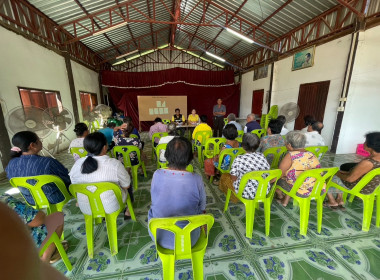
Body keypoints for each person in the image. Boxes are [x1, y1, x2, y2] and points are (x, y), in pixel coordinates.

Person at [148, 137, 206, 249]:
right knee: (199, 211)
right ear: (190, 158)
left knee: (152, 210)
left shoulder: (157, 174)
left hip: (159, 236)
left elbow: (154, 199)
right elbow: (202, 207)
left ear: (166, 155)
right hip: (190, 239)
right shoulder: (197, 179)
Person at [69, 132, 133, 219]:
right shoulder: (114, 164)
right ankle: (128, 211)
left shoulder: (77, 164)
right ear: (104, 147)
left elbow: (74, 185)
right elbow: (126, 186)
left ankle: (100, 215)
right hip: (111, 207)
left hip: (87, 208)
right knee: (128, 181)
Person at [0, 201, 68, 280]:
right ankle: (45, 259)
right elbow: (39, 219)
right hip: (23, 252)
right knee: (58, 216)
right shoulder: (4, 201)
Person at [5, 131, 71, 205]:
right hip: (55, 198)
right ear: (32, 145)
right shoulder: (48, 162)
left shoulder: (11, 164)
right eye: (39, 140)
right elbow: (67, 179)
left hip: (31, 200)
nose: (40, 142)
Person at [325, 132, 380, 209]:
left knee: (328, 175)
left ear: (371, 145)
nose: (363, 143)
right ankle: (339, 199)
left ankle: (332, 201)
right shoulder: (376, 159)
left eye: (365, 141)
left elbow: (350, 179)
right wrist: (343, 172)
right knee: (339, 173)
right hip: (371, 187)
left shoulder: (368, 163)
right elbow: (361, 174)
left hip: (360, 188)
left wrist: (336, 173)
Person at [276, 131, 321, 207]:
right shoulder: (311, 154)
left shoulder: (290, 155)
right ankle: (285, 201)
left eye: (286, 144)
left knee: (278, 180)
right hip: (317, 188)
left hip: (300, 190)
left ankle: (281, 196)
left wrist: (269, 181)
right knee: (294, 177)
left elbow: (279, 174)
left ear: (289, 145)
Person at [230, 134, 271, 199]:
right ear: (258, 145)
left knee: (225, 178)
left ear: (243, 146)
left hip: (245, 192)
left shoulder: (239, 158)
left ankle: (233, 198)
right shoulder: (262, 156)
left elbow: (233, 177)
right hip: (263, 190)